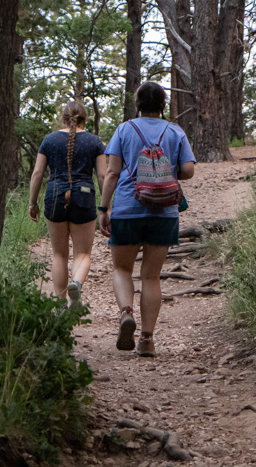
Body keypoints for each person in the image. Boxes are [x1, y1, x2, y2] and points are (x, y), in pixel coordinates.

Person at [98, 82, 196, 357]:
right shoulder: (175, 131)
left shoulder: (124, 129)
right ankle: (147, 340)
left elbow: (112, 173)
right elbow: (188, 170)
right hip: (164, 212)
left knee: (122, 270)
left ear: (137, 103)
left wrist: (103, 208)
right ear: (163, 105)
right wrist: (165, 169)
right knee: (151, 277)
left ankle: (126, 312)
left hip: (128, 208)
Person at [29, 101, 106, 313]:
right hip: (84, 196)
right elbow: (102, 175)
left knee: (59, 255)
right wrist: (106, 206)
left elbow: (37, 174)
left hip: (54, 196)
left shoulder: (49, 140)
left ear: (64, 118)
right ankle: (77, 284)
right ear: (85, 119)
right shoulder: (94, 142)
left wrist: (32, 202)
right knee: (82, 254)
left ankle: (60, 304)